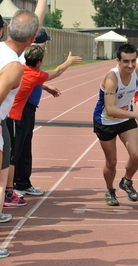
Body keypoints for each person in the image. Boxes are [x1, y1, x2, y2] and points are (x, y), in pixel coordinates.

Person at [6, 43, 81, 204]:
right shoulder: (33, 74)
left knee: (24, 148)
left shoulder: (22, 69)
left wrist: (45, 87)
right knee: (14, 152)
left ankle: (22, 183)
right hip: (16, 115)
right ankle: (9, 190)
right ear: (39, 62)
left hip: (25, 111)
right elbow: (58, 71)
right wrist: (69, 61)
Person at [0, 0, 47, 259]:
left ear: (8, 28)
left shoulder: (6, 53)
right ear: (32, 40)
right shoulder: (14, 65)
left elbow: (33, 24)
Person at [93, 43, 138, 206]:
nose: (131, 65)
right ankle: (110, 190)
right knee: (111, 161)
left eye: (133, 61)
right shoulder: (112, 78)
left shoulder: (137, 69)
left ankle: (126, 181)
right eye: (126, 61)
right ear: (118, 61)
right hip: (106, 121)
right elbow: (111, 109)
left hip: (125, 119)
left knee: (136, 155)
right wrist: (136, 114)